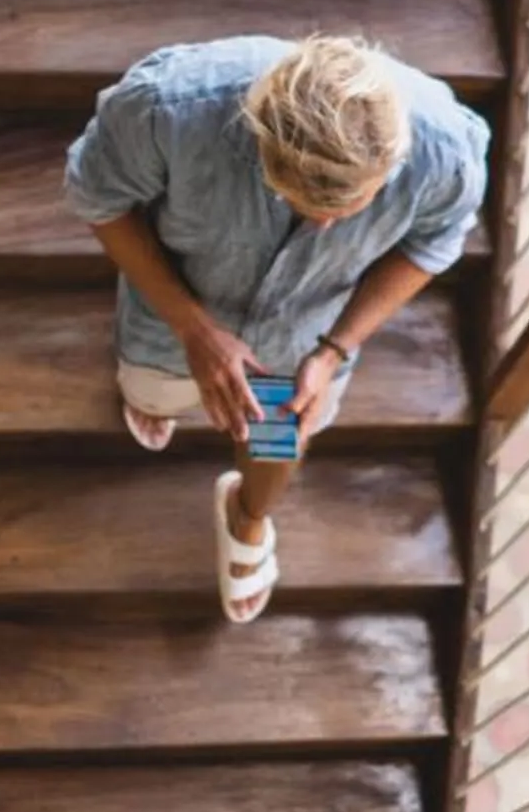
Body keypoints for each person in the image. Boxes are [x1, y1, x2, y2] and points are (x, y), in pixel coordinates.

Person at [63, 32, 490, 623]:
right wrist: (192, 328)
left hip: (309, 333)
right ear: (259, 139)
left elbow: (435, 244)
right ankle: (153, 398)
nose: (324, 222)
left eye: (348, 208)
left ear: (392, 161)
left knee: (281, 437)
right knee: (150, 388)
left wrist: (336, 349)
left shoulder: (448, 153)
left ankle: (249, 515)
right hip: (170, 319)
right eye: (298, 200)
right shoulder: (165, 108)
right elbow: (98, 196)